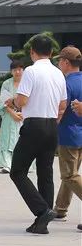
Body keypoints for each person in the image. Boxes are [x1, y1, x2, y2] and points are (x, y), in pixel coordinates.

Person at [10, 35, 68, 234]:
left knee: (17, 171)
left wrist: (13, 101)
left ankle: (42, 210)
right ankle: (43, 219)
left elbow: (22, 101)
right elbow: (62, 105)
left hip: (34, 125)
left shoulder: (31, 71)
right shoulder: (58, 73)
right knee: (45, 173)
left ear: (32, 52)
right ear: (51, 52)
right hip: (52, 125)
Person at [55, 46, 82, 221]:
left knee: (69, 175)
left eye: (59, 60)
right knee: (71, 173)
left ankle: (60, 208)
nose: (58, 63)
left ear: (65, 62)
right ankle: (60, 208)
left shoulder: (66, 84)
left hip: (68, 134)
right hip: (80, 134)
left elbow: (60, 111)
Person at [0, 61, 25, 173]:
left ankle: (21, 164)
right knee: (6, 139)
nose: (17, 72)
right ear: (11, 71)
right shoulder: (6, 84)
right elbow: (3, 102)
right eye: (14, 70)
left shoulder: (27, 83)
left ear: (23, 70)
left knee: (21, 139)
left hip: (24, 116)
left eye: (19, 69)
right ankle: (6, 164)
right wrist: (13, 113)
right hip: (9, 116)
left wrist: (21, 112)